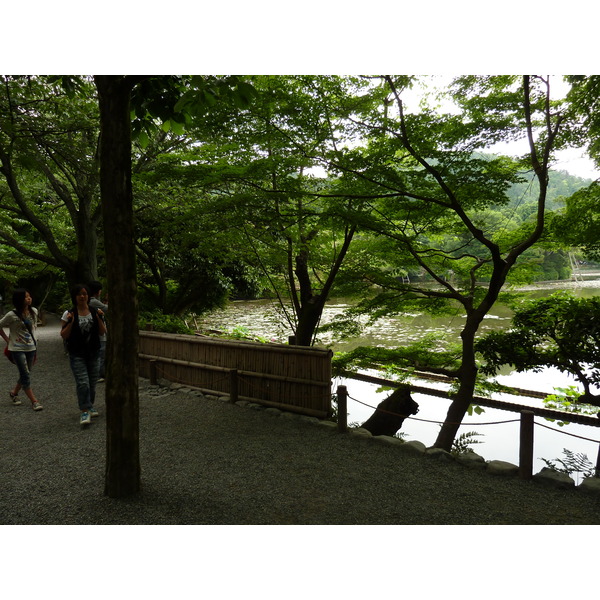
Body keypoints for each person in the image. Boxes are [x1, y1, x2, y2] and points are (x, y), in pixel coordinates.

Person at [61, 283, 106, 426]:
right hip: (77, 353)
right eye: (79, 294)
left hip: (94, 351)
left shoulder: (95, 311)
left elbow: (102, 331)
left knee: (92, 383)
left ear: (88, 296)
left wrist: (99, 318)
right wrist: (71, 322)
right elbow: (63, 335)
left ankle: (90, 405)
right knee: (83, 383)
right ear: (74, 296)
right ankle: (84, 410)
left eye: (85, 294)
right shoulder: (70, 313)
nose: (82, 296)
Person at [0, 288, 43, 411]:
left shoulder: (34, 311)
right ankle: (34, 401)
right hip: (17, 348)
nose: (29, 298)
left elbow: (34, 328)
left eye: (29, 296)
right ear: (19, 300)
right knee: (25, 374)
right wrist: (8, 340)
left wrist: (35, 339)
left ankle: (14, 392)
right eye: (26, 297)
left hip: (31, 347)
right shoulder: (11, 315)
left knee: (26, 372)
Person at [88, 280, 108, 381]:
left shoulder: (90, 301)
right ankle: (99, 374)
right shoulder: (93, 301)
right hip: (99, 333)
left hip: (94, 332)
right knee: (101, 354)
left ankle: (98, 373)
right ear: (97, 291)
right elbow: (107, 309)